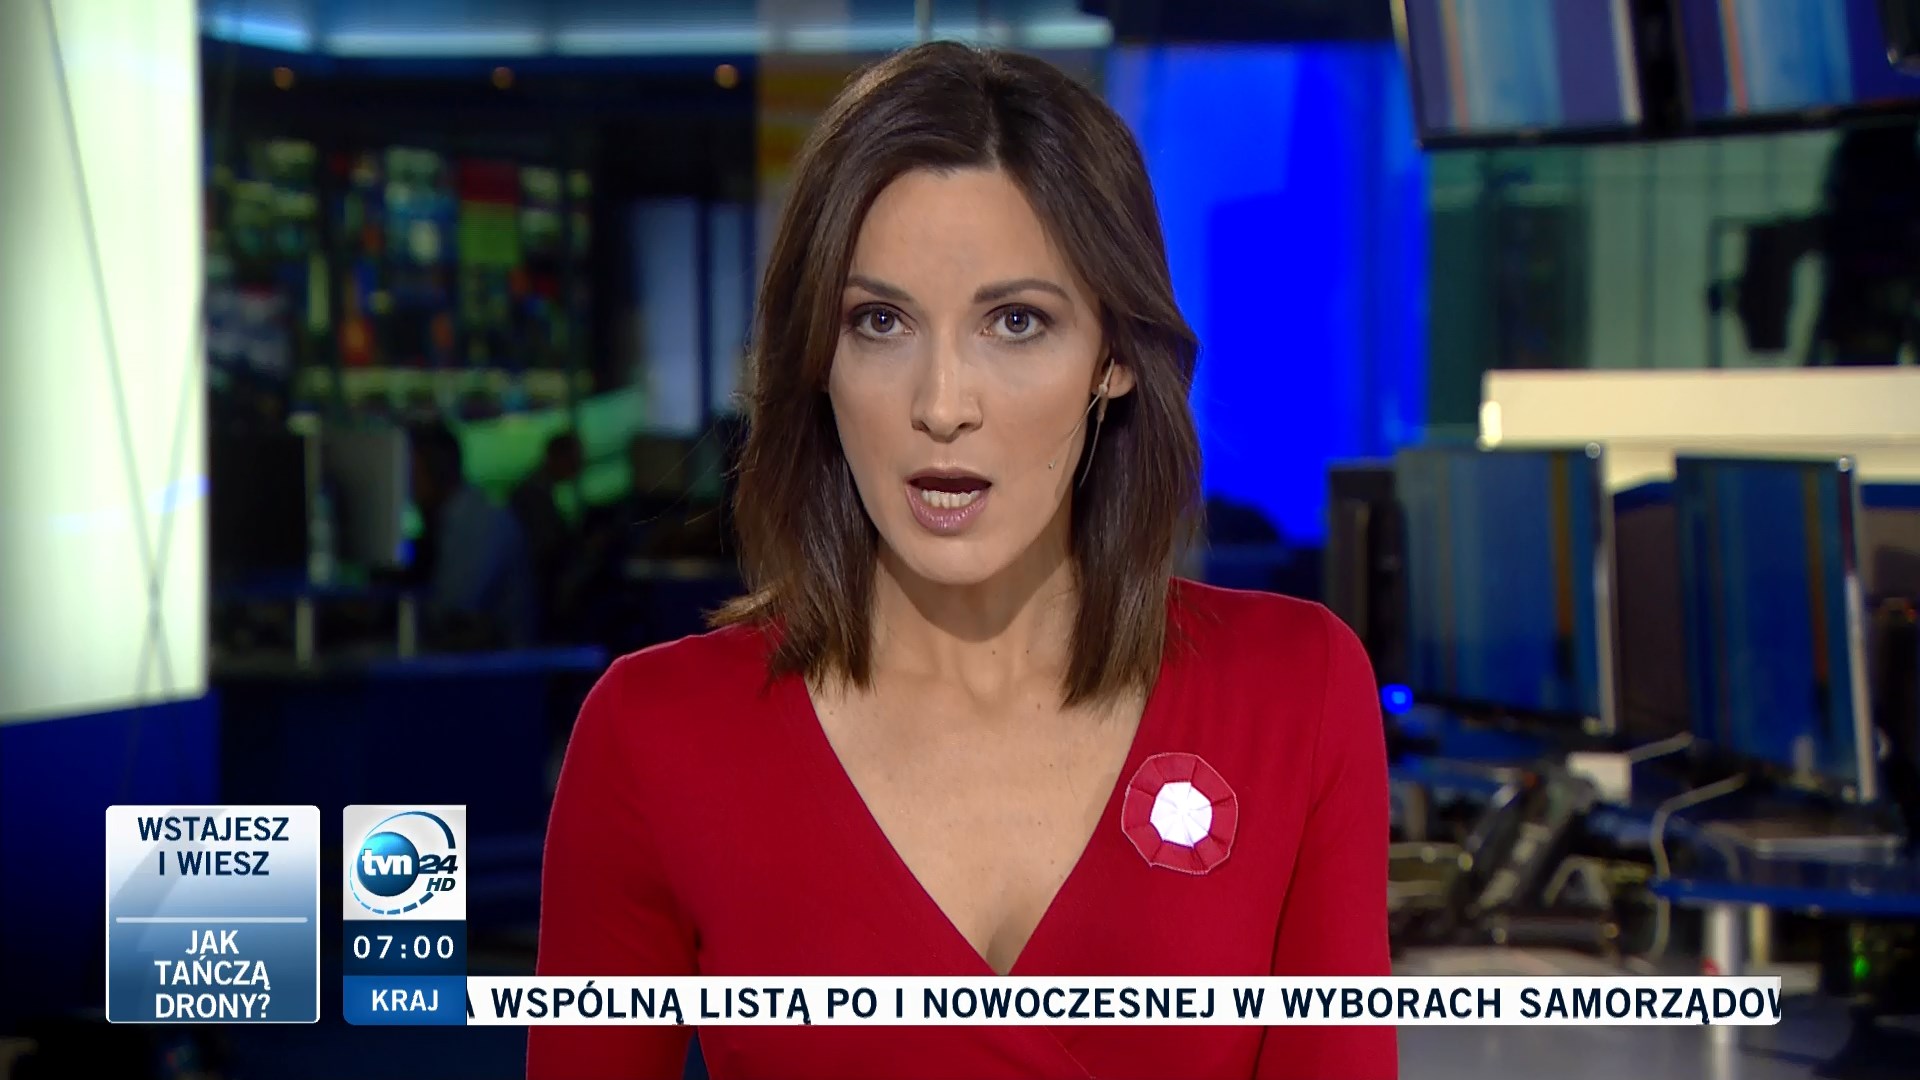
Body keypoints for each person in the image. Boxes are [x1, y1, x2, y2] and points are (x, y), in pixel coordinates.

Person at [532, 42, 1393, 1080]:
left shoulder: (1296, 693)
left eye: (1015, 322)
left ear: (1114, 358)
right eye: (880, 322)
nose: (942, 405)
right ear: (818, 362)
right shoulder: (654, 737)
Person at [409, 423, 537, 649]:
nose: (407, 485)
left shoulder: (476, 523)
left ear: (434, 471)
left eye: (412, 472)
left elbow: (452, 611)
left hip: (496, 664)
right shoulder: (461, 517)